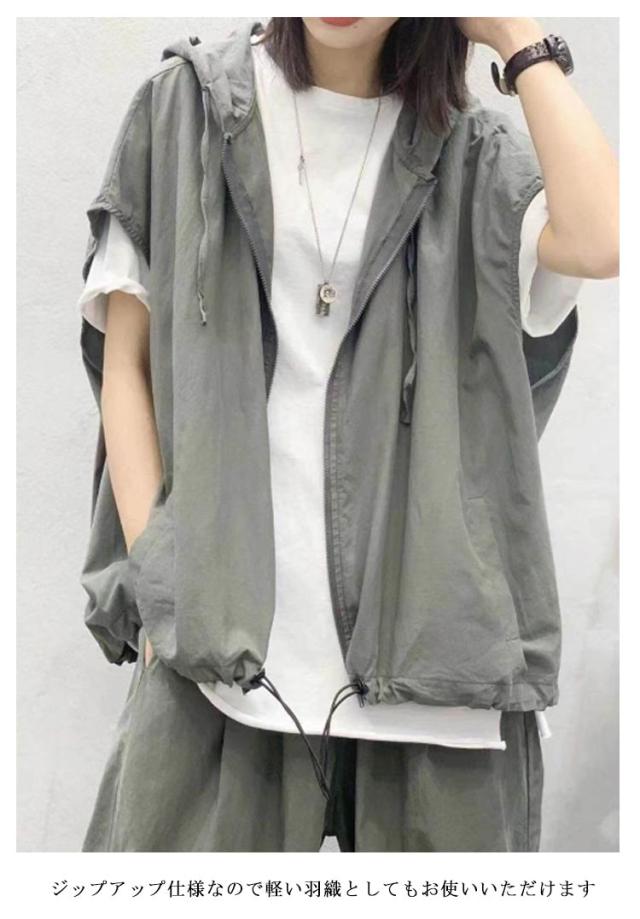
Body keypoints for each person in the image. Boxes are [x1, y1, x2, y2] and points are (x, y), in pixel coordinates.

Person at [76, 17, 618, 852]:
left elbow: (602, 236)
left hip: (438, 680)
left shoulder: (477, 159)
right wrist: (161, 582)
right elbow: (128, 363)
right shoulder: (185, 110)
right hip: (219, 666)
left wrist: (511, 31)